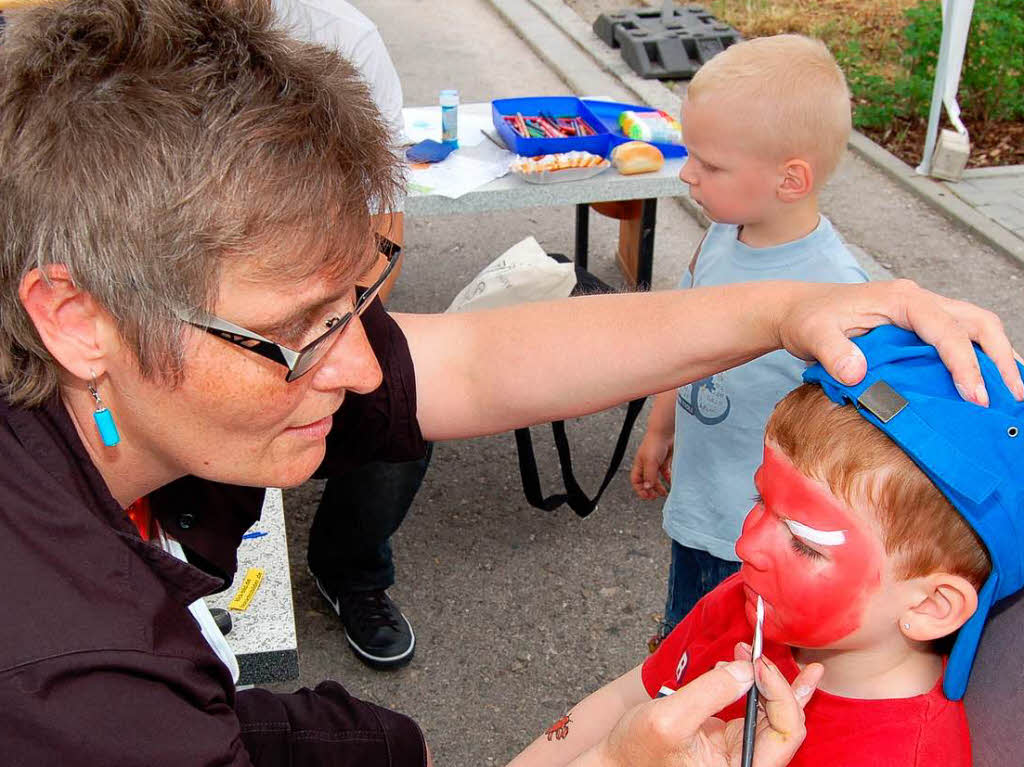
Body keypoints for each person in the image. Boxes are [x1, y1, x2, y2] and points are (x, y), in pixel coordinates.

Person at [1, 0, 1021, 765]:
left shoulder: (109, 399)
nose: (359, 364)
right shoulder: (68, 688)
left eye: (354, 302)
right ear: (79, 317)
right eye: (296, 333)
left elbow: (476, 360)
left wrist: (780, 309)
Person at [512, 325, 1024, 767]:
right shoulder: (745, 605)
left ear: (932, 605)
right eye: (762, 499)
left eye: (804, 544)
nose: (746, 545)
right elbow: (627, 700)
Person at [630, 34, 868, 642]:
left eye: (709, 165)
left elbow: (846, 438)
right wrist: (660, 430)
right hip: (699, 507)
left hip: (766, 539)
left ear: (790, 181)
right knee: (686, 641)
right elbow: (683, 340)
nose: (686, 174)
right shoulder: (721, 237)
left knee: (743, 670)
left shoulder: (835, 292)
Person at [273, 0, 424, 670]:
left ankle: (352, 568)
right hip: (189, 295)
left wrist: (338, 330)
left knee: (396, 397)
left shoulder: (340, 36)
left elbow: (385, 222)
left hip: (325, 281)